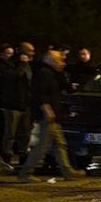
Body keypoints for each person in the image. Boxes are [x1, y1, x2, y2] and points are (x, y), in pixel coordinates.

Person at [17, 50, 74, 183]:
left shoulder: (52, 73)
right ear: (52, 61)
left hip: (53, 114)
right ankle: (26, 173)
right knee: (43, 146)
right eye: (59, 60)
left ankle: (67, 170)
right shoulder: (44, 73)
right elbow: (39, 94)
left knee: (60, 144)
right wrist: (46, 108)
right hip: (47, 115)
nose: (62, 63)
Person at [0, 43, 32, 165]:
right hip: (11, 104)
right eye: (7, 53)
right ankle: (6, 155)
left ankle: (22, 153)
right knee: (10, 132)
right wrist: (21, 64)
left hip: (24, 103)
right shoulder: (1, 66)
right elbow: (12, 77)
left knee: (25, 132)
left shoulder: (20, 65)